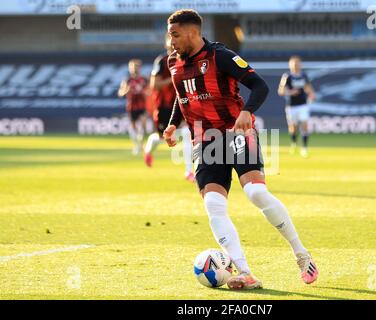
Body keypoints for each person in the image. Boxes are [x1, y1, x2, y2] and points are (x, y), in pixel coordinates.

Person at [162, 9, 318, 290]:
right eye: (169, 34)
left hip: (236, 133)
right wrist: (173, 124)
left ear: (193, 33)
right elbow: (181, 96)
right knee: (213, 204)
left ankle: (301, 254)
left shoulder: (220, 56)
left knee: (256, 193)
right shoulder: (174, 63)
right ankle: (245, 272)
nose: (170, 40)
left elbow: (259, 86)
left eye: (174, 34)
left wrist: (247, 111)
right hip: (205, 141)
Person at [144, 35, 195, 182]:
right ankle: (148, 150)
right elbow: (155, 85)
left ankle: (189, 171)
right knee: (161, 138)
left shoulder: (186, 60)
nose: (174, 44)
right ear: (166, 43)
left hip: (182, 105)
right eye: (171, 40)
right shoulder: (162, 61)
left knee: (187, 133)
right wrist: (174, 78)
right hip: (164, 107)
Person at [277, 56, 316, 158]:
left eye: (297, 63)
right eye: (294, 64)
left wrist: (312, 94)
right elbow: (280, 91)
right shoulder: (287, 76)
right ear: (290, 65)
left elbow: (308, 88)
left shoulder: (303, 76)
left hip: (303, 105)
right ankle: (293, 143)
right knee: (293, 128)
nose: (296, 66)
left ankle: (304, 148)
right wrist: (290, 92)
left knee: (304, 125)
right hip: (291, 106)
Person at [118, 59, 148, 155]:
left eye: (136, 67)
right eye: (132, 67)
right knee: (133, 128)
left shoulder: (144, 80)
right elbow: (120, 93)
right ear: (129, 68)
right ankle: (137, 145)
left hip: (142, 106)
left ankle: (141, 144)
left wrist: (144, 93)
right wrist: (126, 91)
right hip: (132, 107)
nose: (134, 69)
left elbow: (150, 92)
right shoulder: (127, 80)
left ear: (140, 68)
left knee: (143, 125)